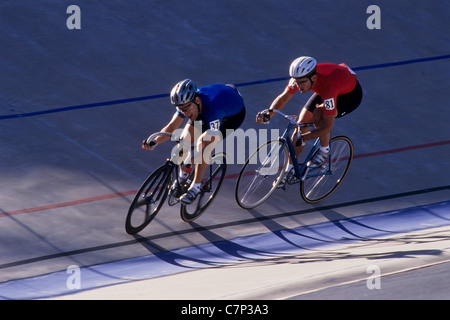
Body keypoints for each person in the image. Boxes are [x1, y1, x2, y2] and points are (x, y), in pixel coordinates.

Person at [256, 56, 363, 181]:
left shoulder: (329, 87)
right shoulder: (301, 78)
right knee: (300, 127)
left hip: (349, 96)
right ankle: (289, 170)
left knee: (319, 115)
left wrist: (305, 138)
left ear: (313, 78)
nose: (299, 86)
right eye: (296, 82)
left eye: (302, 83)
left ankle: (324, 150)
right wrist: (269, 114)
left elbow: (327, 126)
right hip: (327, 86)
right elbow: (284, 97)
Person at [143, 79, 246, 204]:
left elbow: (208, 143)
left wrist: (195, 156)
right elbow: (171, 127)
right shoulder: (187, 103)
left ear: (196, 100)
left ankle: (195, 188)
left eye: (186, 109)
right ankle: (183, 176)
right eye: (181, 110)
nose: (185, 113)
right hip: (205, 109)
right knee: (184, 141)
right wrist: (154, 142)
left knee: (204, 144)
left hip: (231, 117)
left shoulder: (214, 110)